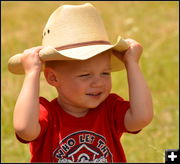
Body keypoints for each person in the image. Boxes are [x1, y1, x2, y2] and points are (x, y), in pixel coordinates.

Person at [8, 3, 153, 163]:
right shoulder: (47, 115)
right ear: (53, 78)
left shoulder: (110, 110)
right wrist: (32, 73)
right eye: (85, 75)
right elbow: (24, 129)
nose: (98, 83)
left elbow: (142, 117)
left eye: (105, 73)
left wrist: (132, 63)